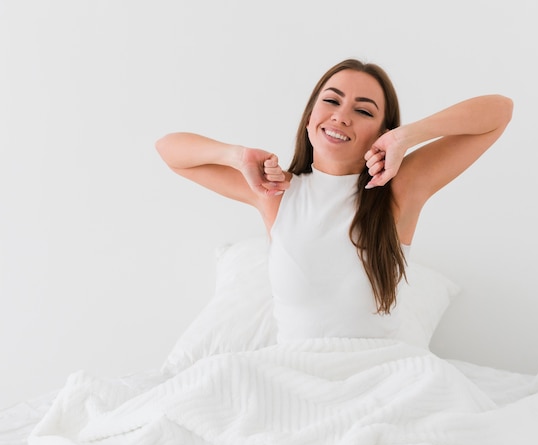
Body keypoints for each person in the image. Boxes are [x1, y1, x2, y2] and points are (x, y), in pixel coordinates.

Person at [155, 58, 513, 343]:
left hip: (381, 375)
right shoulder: (275, 192)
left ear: (381, 132)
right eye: (331, 100)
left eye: (364, 110)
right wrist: (236, 155)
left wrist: (407, 137)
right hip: (293, 373)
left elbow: (499, 111)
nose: (342, 115)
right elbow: (169, 150)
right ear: (310, 117)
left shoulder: (400, 190)